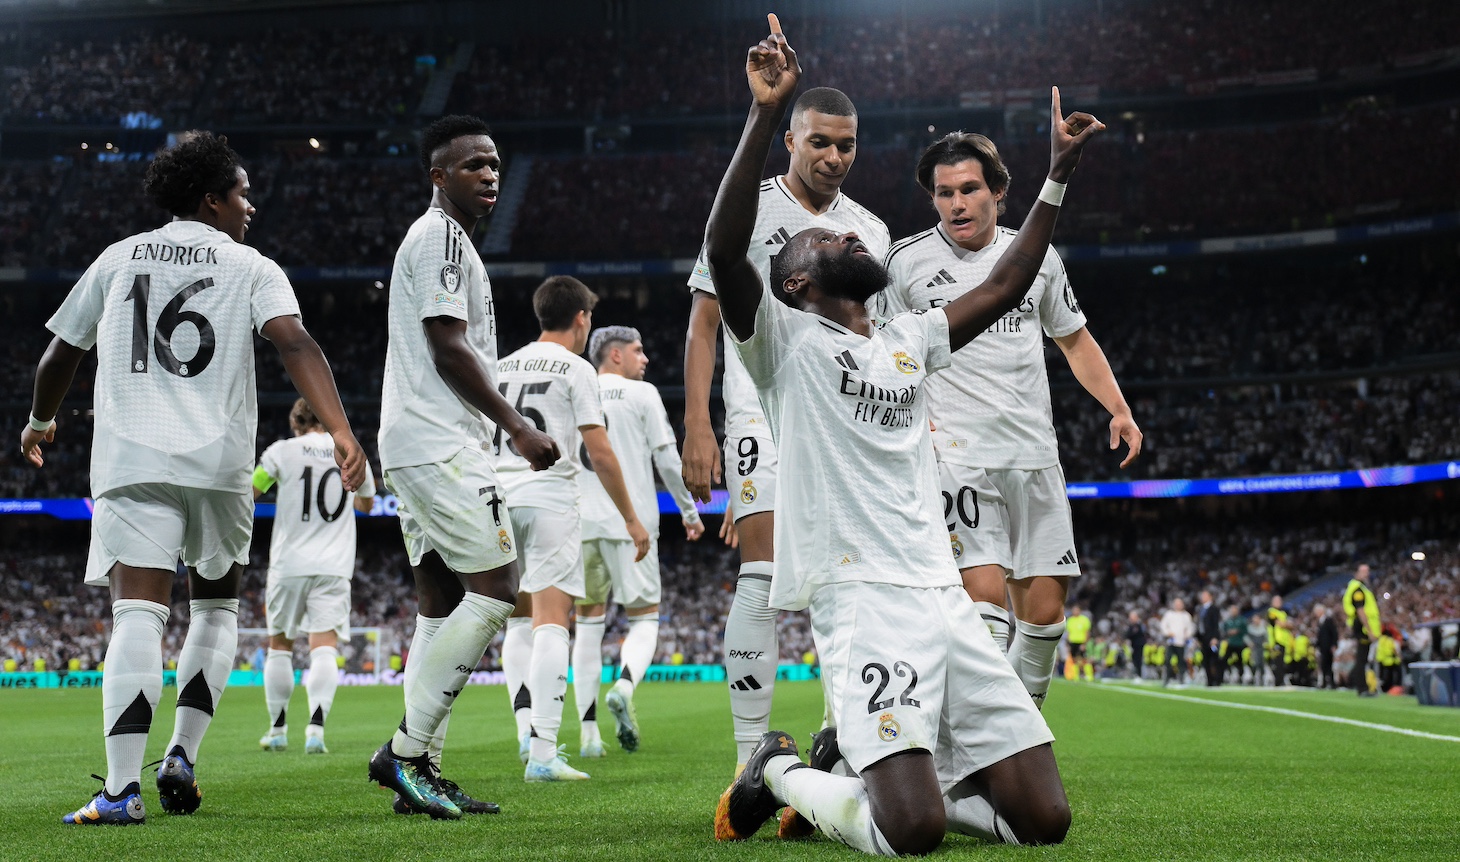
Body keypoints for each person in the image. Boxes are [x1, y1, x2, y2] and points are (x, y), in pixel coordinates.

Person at [710, 17, 1102, 853]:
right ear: (799, 279)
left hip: (943, 594)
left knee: (1045, 822)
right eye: (830, 237)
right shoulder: (782, 342)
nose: (851, 230)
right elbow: (723, 246)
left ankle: (914, 778)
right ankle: (774, 772)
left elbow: (1002, 284)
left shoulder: (906, 337)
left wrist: (1055, 180)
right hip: (863, 599)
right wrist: (759, 115)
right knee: (911, 834)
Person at [22, 131, 366, 825]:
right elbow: (294, 340)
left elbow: (61, 353)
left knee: (138, 616)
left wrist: (38, 421)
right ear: (210, 199)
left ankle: (121, 792)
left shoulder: (119, 257)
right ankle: (182, 753)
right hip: (220, 463)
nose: (250, 205)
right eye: (240, 192)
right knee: (214, 610)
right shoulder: (252, 265)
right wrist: (341, 428)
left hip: (133, 460)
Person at [880, 121, 1140, 710]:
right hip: (955, 458)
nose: (955, 204)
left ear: (998, 192)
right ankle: (978, 756)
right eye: (944, 193)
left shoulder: (1036, 258)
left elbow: (1074, 341)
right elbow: (887, 359)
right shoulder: (905, 263)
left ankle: (1020, 743)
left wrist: (1119, 408)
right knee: (985, 609)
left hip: (1032, 455)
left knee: (1044, 619)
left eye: (968, 189)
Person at [682, 66, 890, 786]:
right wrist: (697, 423)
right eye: (821, 143)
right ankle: (749, 757)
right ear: (793, 139)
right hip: (759, 410)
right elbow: (705, 321)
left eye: (848, 145)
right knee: (763, 577)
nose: (835, 157)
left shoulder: (871, 230)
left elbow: (878, 339)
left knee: (848, 578)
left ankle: (846, 739)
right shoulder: (752, 208)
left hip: (844, 425)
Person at [368, 114, 559, 820]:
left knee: (440, 605)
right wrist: (517, 426)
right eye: (473, 163)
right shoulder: (443, 237)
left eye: (495, 163)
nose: (489, 174)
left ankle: (422, 772)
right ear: (438, 175)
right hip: (441, 442)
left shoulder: (441, 242)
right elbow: (448, 345)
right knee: (498, 588)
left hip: (418, 440)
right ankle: (406, 751)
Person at [495, 276, 650, 782]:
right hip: (548, 500)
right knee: (551, 622)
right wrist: (630, 516)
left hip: (497, 500)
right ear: (582, 319)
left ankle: (524, 728)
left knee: (516, 623)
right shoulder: (575, 367)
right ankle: (542, 752)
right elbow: (599, 451)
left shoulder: (499, 366)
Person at [572, 325, 703, 757]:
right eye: (637, 350)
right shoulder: (642, 395)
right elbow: (667, 457)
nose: (645, 359)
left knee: (588, 627)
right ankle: (625, 686)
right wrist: (688, 511)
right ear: (614, 355)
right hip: (633, 526)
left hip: (579, 522)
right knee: (644, 620)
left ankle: (589, 736)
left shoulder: (575, 387)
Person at [254, 398, 377, 754]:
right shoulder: (351, 451)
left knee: (280, 646)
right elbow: (367, 505)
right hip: (334, 565)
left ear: (296, 423)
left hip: (289, 564)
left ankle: (277, 731)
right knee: (323, 648)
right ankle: (316, 730)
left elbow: (253, 488)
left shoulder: (282, 451)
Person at [1344, 563, 1381, 697]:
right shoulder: (1359, 590)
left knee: (1362, 658)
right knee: (1361, 658)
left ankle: (1361, 685)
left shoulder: (1358, 588)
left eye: (1368, 570)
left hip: (1361, 626)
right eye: (1364, 571)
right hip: (1362, 627)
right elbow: (1361, 611)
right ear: (1357, 573)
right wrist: (1370, 630)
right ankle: (1362, 688)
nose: (1367, 573)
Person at [1159, 598, 1194, 686]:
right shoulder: (1169, 614)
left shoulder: (1186, 616)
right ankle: (1167, 678)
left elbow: (1190, 628)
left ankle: (1181, 679)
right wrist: (1168, 633)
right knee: (1168, 660)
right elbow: (1163, 625)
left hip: (1181, 642)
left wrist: (1187, 635)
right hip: (1171, 641)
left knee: (1181, 661)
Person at [1196, 590, 1222, 686]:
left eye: (1205, 595)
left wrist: (1215, 637)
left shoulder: (1214, 608)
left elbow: (1216, 624)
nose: (1202, 597)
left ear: (1210, 597)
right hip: (1203, 637)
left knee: (1214, 659)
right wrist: (1198, 637)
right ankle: (1209, 680)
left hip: (1211, 638)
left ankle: (1217, 680)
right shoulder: (1201, 609)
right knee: (1205, 659)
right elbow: (1199, 624)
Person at [1266, 595, 1293, 686]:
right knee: (1277, 662)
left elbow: (1291, 625)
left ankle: (1280, 680)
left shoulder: (1284, 613)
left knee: (1281, 662)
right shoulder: (1271, 612)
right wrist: (1286, 624)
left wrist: (1286, 624)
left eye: (1279, 600)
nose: (1278, 602)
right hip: (1275, 640)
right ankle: (1278, 681)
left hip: (1284, 641)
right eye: (1276, 601)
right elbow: (1280, 624)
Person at [1314, 603, 1340, 689]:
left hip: (1328, 647)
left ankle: (1331, 683)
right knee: (1324, 665)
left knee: (1328, 665)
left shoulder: (1328, 620)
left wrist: (1334, 644)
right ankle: (1325, 683)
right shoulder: (1320, 621)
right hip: (1323, 647)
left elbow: (1334, 633)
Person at [1065, 605, 1092, 682]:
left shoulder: (1084, 620)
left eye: (1077, 610)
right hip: (1073, 642)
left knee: (1084, 659)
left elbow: (1087, 632)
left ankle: (1089, 675)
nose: (1075, 612)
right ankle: (1076, 675)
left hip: (1081, 642)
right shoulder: (1070, 620)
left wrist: (1084, 643)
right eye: (1074, 610)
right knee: (1074, 659)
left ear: (1080, 611)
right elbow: (1068, 633)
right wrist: (1068, 643)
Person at [1125, 610, 1147, 680]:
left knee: (1138, 660)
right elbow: (1127, 635)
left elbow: (1141, 634)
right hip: (1133, 645)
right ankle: (1136, 674)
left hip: (1139, 645)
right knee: (1134, 660)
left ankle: (1139, 675)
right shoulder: (1132, 626)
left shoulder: (1140, 625)